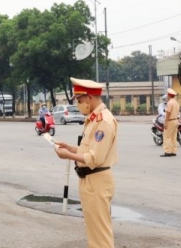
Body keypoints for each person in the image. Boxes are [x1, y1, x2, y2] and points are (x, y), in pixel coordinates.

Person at [53, 77, 118, 248]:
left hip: (97, 180)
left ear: (89, 97)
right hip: (90, 181)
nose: (79, 104)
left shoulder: (103, 121)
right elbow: (88, 151)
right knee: (94, 232)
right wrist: (70, 148)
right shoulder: (94, 119)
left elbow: (94, 158)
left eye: (80, 100)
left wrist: (68, 155)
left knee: (100, 236)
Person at [161, 88, 180, 157]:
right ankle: (173, 151)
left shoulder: (170, 103)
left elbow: (168, 113)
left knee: (167, 137)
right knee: (174, 137)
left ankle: (167, 152)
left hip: (170, 121)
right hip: (176, 120)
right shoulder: (176, 103)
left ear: (169, 95)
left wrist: (166, 122)